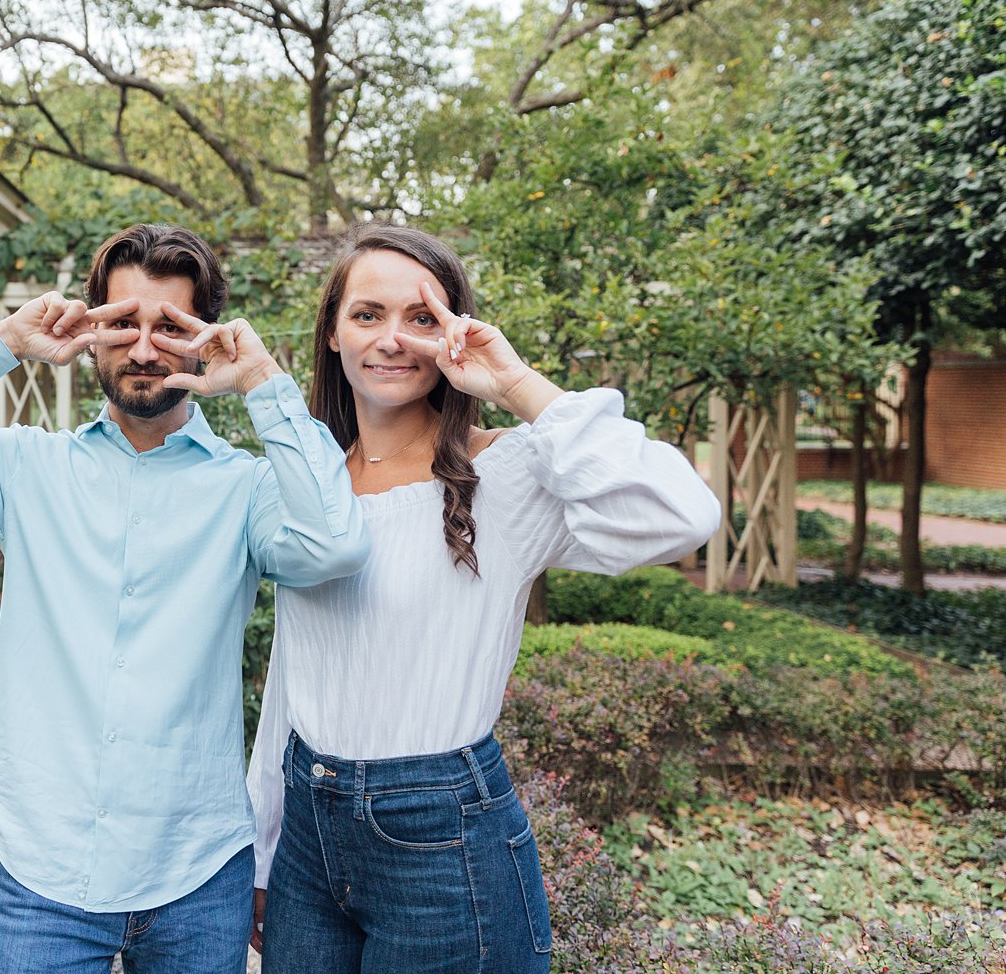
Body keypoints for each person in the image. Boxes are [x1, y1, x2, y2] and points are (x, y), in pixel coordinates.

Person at [0, 223, 369, 973]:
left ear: (203, 338)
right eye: (122, 324)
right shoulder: (25, 469)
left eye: (169, 328)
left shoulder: (245, 490)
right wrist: (5, 344)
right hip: (42, 875)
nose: (144, 350)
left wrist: (262, 383)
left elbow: (335, 546)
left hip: (199, 874)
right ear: (88, 329)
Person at [246, 223, 721, 973]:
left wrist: (515, 384)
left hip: (444, 845)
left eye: (422, 318)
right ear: (333, 334)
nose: (392, 339)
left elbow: (682, 516)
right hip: (308, 834)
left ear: (454, 337)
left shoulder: (506, 474)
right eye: (368, 314)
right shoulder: (311, 483)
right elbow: (293, 678)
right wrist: (264, 853)